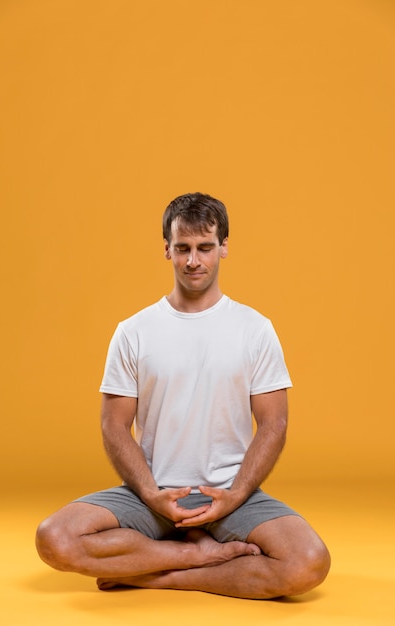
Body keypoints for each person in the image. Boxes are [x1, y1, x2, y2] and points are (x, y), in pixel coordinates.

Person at [36, 192, 330, 599]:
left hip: (231, 492)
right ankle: (198, 556)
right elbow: (114, 425)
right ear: (167, 250)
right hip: (153, 492)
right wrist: (153, 495)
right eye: (183, 249)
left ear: (224, 248)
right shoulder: (133, 331)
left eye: (205, 248)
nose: (194, 261)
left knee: (309, 562)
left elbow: (274, 422)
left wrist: (236, 495)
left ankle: (158, 573)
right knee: (54, 539)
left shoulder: (255, 329)